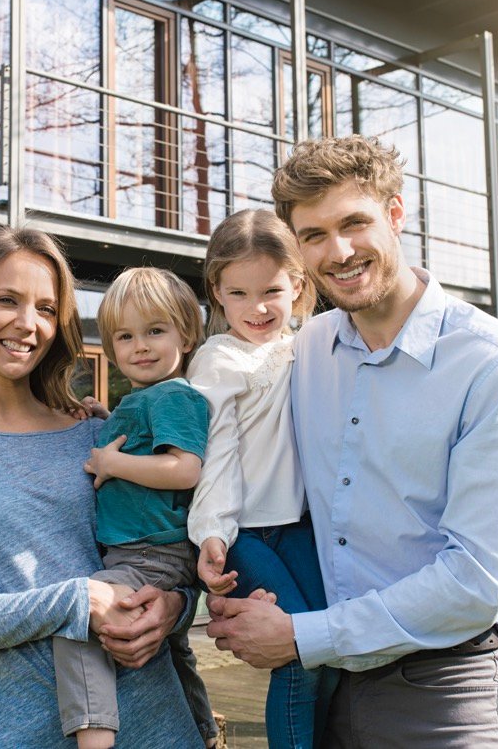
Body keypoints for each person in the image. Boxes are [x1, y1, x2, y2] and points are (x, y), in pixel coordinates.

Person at [206, 135, 498, 747]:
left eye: (354, 223)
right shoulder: (303, 350)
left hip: (438, 695)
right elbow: (226, 430)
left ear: (394, 214)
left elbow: (477, 581)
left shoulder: (493, 363)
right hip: (320, 689)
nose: (338, 251)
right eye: (313, 235)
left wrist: (303, 635)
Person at [0, 227, 201, 748]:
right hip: (29, 733)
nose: (27, 324)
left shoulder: (97, 435)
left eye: (47, 309)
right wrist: (77, 599)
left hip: (161, 722)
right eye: (7, 300)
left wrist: (175, 607)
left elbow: (163, 546)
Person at [185, 208, 334, 749]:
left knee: (330, 650)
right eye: (239, 293)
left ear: (297, 284)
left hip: (301, 529)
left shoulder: (316, 343)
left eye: (271, 290)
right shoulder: (217, 360)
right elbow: (217, 454)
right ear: (217, 292)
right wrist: (213, 534)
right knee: (297, 657)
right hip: (246, 533)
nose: (257, 308)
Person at [55, 266, 218, 749]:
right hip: (146, 551)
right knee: (173, 648)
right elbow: (145, 444)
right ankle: (204, 731)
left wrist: (112, 461)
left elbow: (184, 469)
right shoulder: (144, 398)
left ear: (186, 335)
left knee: (79, 616)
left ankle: (95, 735)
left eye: (154, 331)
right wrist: (105, 418)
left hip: (150, 552)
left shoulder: (173, 395)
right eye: (125, 336)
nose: (140, 346)